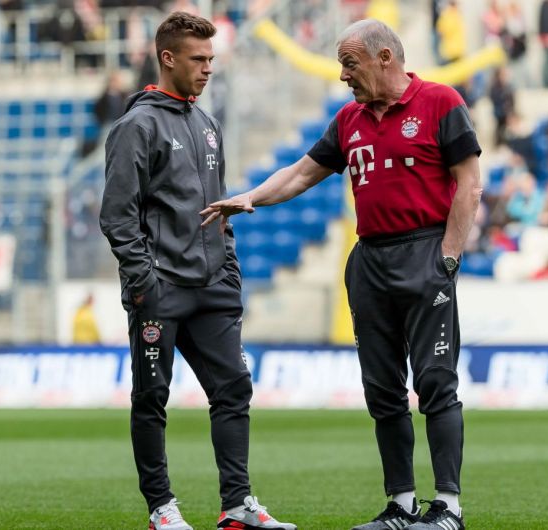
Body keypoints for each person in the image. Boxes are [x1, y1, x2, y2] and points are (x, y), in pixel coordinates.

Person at [201, 19, 481, 530]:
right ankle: (400, 505)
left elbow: (469, 184)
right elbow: (303, 172)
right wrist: (250, 197)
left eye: (350, 64)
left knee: (436, 383)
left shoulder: (440, 103)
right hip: (370, 258)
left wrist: (448, 257)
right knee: (383, 390)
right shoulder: (349, 119)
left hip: (424, 253)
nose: (343, 75)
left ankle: (448, 508)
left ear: (384, 58)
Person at [98, 12, 295, 530]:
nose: (208, 69)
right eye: (198, 60)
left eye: (212, 59)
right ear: (168, 59)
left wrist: (227, 267)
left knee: (234, 390)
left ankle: (237, 506)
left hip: (212, 287)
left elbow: (219, 207)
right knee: (152, 397)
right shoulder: (136, 125)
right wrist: (146, 283)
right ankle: (162, 508)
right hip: (161, 289)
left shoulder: (207, 125)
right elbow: (117, 215)